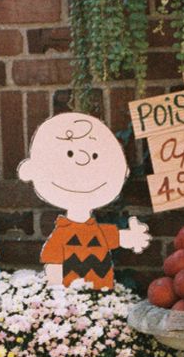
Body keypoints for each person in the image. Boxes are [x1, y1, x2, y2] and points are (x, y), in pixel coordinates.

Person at [17, 112, 150, 289]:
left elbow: (114, 237)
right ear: (31, 170)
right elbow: (53, 258)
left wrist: (132, 237)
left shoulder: (97, 231)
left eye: (95, 156)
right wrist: (56, 277)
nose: (83, 160)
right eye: (70, 153)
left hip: (100, 293)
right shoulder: (63, 233)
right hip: (71, 297)